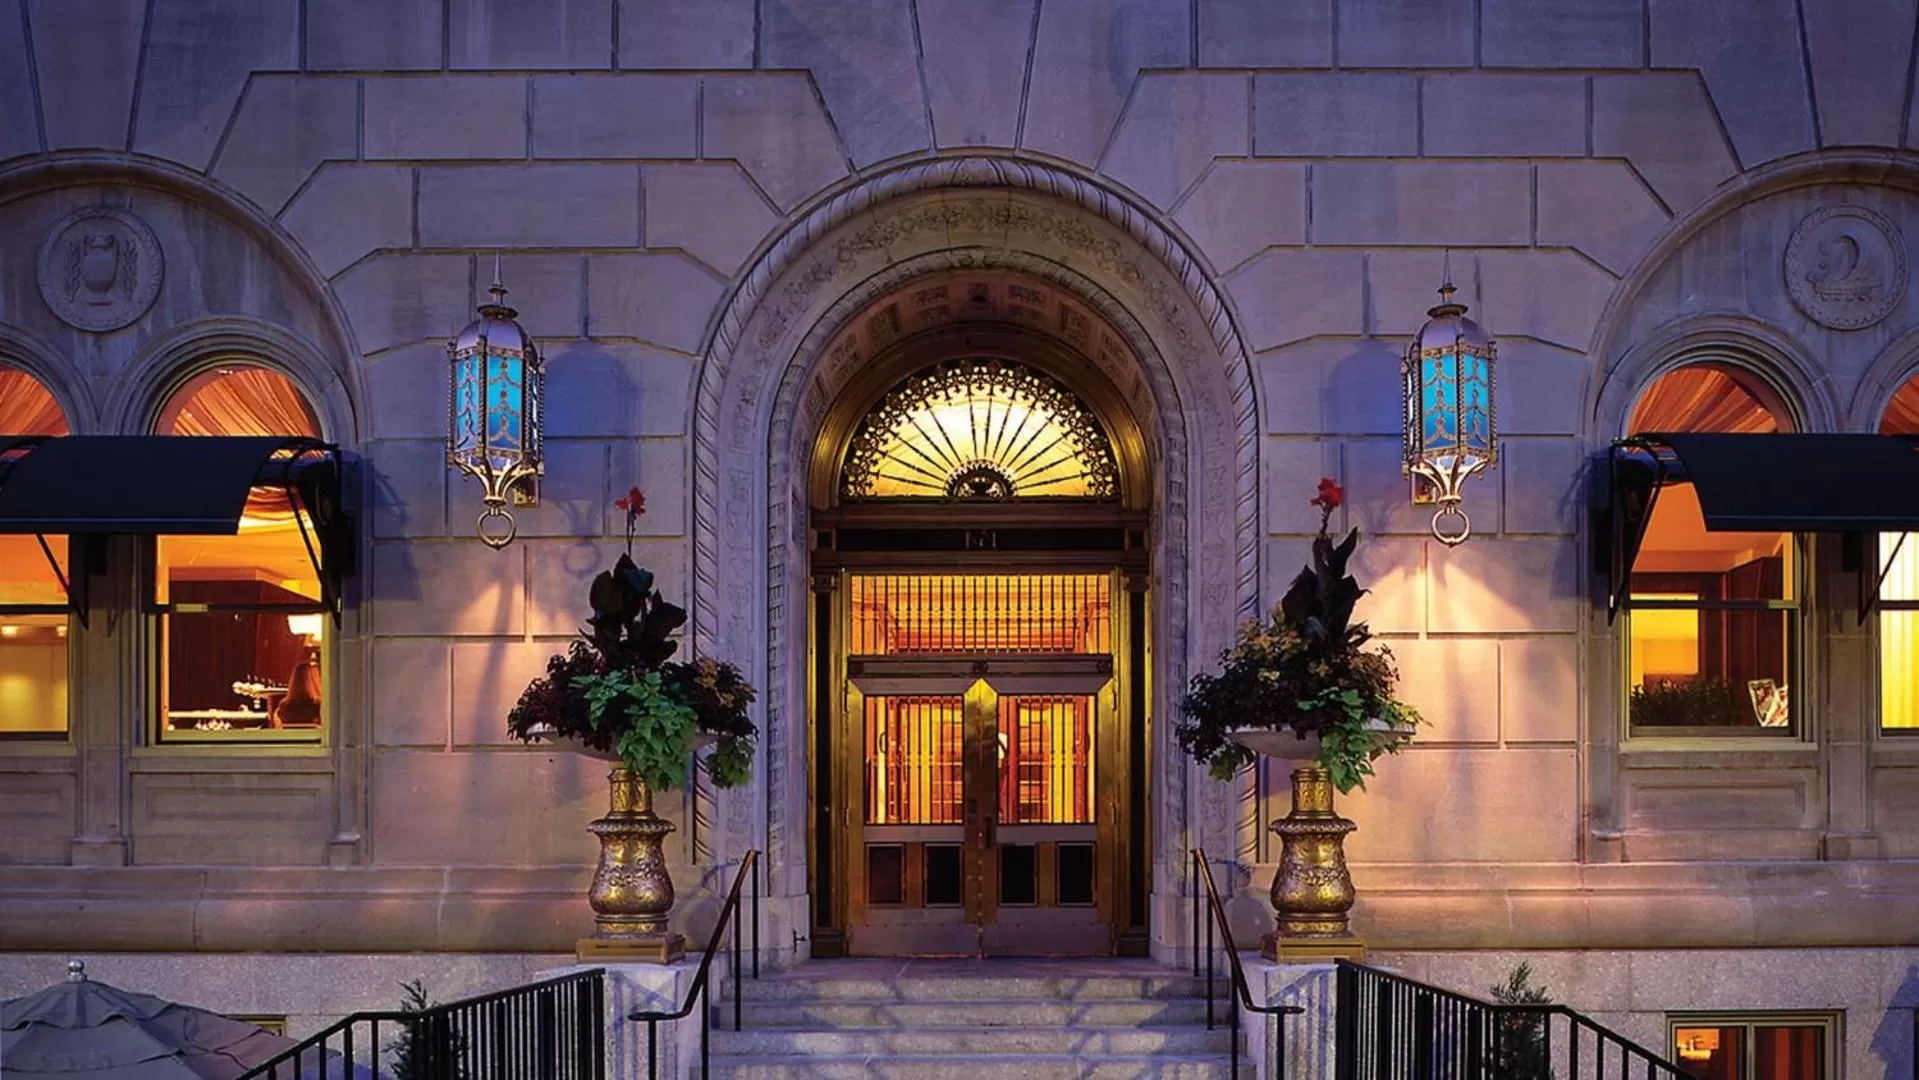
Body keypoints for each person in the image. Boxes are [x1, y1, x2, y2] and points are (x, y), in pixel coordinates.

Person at [273, 659, 322, 728]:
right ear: (313, 679)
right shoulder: (318, 705)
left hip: (290, 738)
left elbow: (277, 727)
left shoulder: (283, 705)